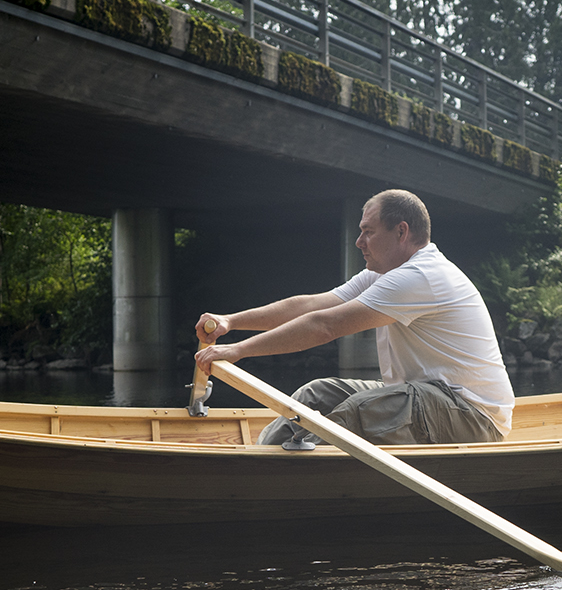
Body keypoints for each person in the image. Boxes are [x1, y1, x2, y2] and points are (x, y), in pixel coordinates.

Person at [193, 189, 512, 449]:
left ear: (401, 231)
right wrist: (231, 321)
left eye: (368, 232)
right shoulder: (384, 275)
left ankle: (288, 472)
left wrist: (237, 351)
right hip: (424, 397)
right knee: (315, 395)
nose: (359, 242)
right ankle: (262, 456)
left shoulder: (421, 277)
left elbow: (325, 326)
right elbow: (311, 307)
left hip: (475, 417)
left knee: (360, 412)